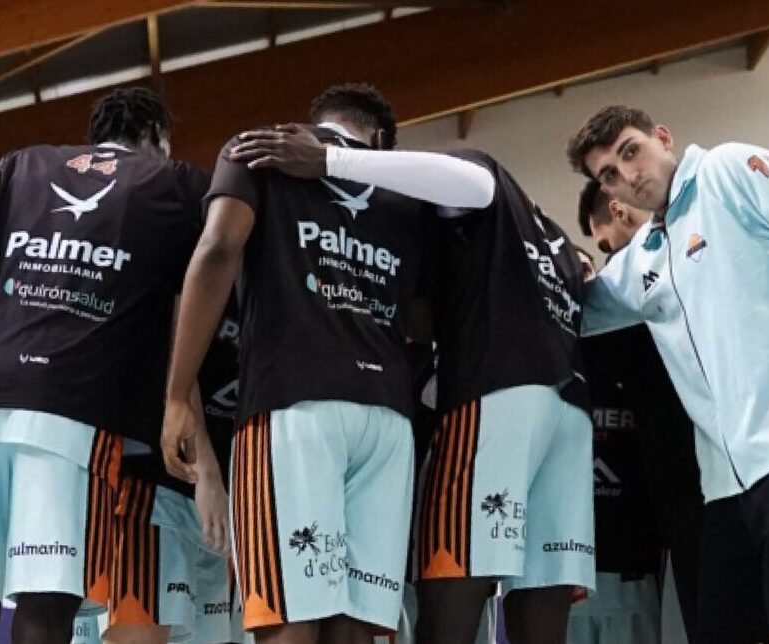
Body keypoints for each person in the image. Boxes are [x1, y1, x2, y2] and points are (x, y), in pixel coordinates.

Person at [223, 127, 595, 644]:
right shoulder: (557, 243)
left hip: (497, 394)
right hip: (571, 412)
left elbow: (474, 182)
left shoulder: (486, 184)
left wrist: (329, 161)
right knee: (542, 602)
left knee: (450, 585)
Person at [160, 83, 494, 644]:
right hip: (387, 423)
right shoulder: (405, 190)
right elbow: (423, 318)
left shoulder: (260, 149)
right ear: (381, 139)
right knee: (356, 629)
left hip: (293, 408)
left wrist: (176, 395)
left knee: (288, 615)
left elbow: (217, 249)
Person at [566, 105, 769, 644]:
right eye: (609, 174)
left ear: (663, 137)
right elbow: (583, 312)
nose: (628, 175)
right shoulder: (644, 257)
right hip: (724, 487)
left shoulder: (727, 170)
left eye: (632, 151)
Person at [0, 86, 207, 644]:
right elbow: (228, 240)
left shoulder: (21, 164)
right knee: (48, 603)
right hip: (71, 412)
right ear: (155, 136)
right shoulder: (170, 181)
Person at [574, 183, 705, 643]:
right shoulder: (611, 319)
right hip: (667, 510)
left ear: (617, 210)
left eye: (604, 244)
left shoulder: (688, 266)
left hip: (709, 484)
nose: (607, 257)